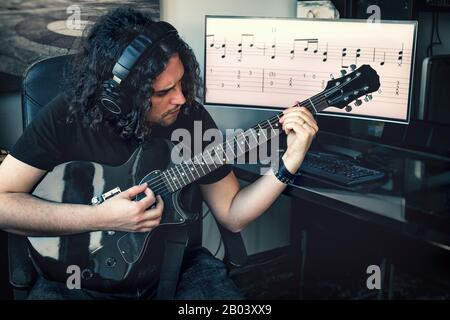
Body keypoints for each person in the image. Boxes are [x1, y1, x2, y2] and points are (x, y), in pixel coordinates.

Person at [0, 7, 318, 300]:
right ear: (119, 96)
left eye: (181, 82)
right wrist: (101, 217)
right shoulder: (65, 117)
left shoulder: (190, 117)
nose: (181, 98)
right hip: (76, 281)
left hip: (175, 270)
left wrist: (287, 163)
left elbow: (233, 214)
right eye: (163, 92)